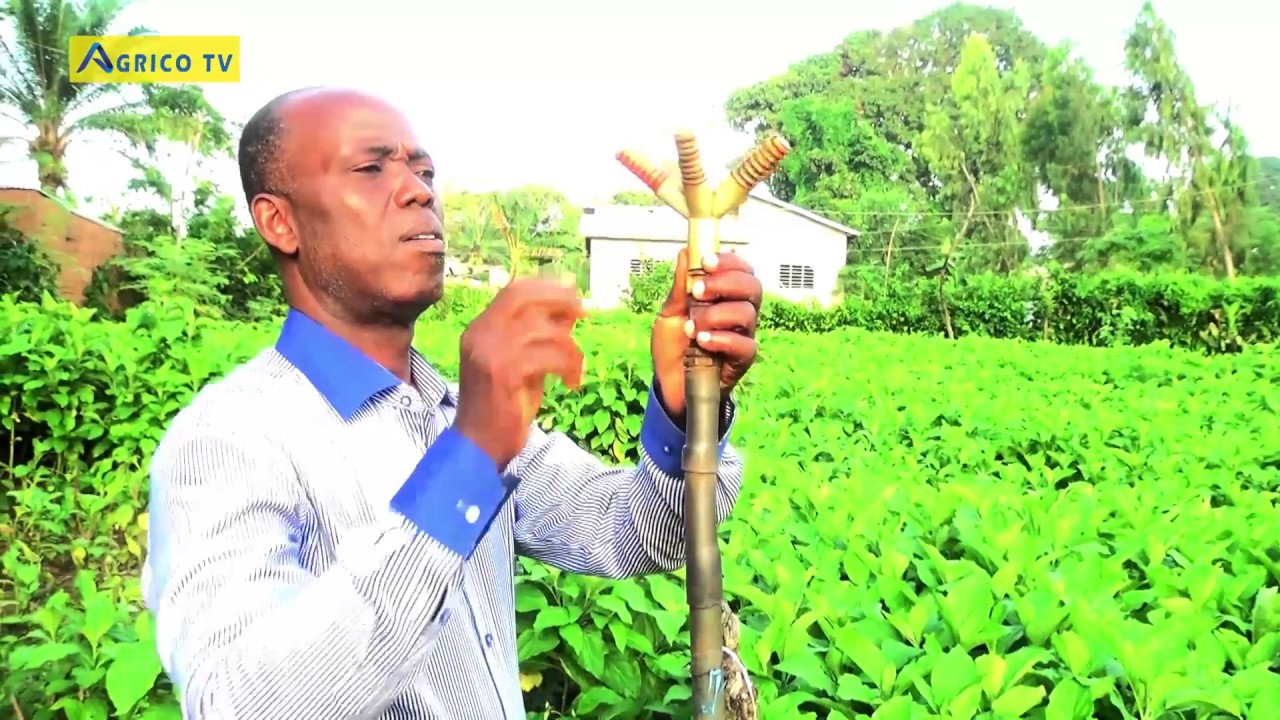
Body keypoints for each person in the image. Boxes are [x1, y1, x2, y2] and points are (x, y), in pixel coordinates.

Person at [140, 86, 765, 720]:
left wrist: (687, 409)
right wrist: (468, 457)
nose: (418, 191)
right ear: (281, 222)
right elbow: (237, 702)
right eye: (371, 168)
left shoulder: (455, 411)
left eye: (424, 170)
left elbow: (641, 535)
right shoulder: (225, 442)